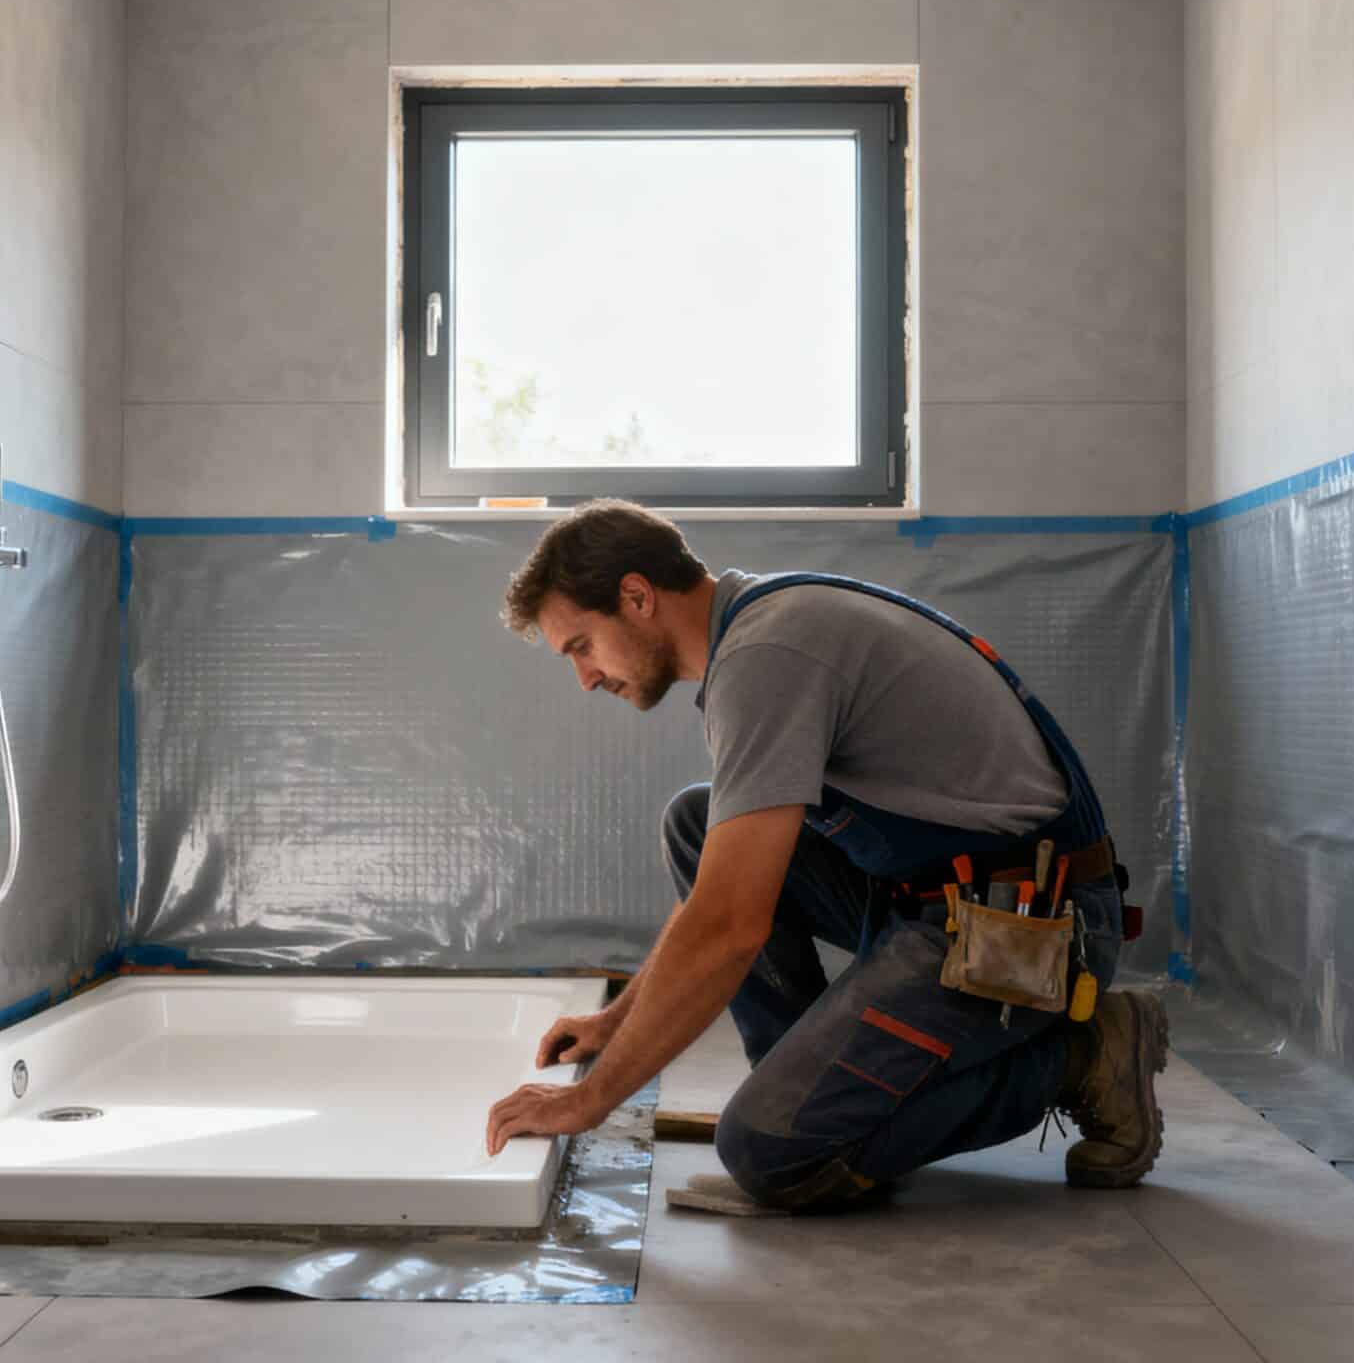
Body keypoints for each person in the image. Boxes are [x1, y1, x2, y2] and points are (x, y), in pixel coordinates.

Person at [482, 500, 1167, 1209]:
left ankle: (1083, 1057)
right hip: (950, 894)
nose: (586, 678)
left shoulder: (766, 658)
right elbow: (724, 889)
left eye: (581, 646)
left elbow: (728, 924)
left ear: (636, 597)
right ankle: (803, 1089)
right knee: (699, 819)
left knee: (768, 1156)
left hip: (1034, 932)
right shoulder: (766, 624)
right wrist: (614, 1022)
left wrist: (588, 1101)